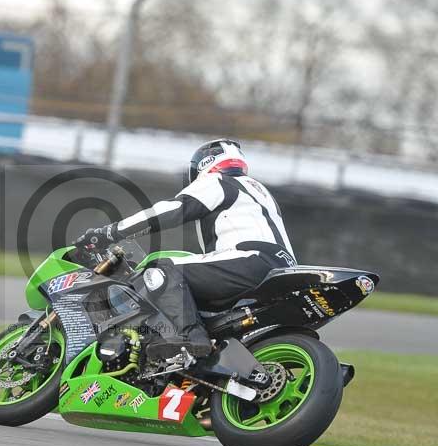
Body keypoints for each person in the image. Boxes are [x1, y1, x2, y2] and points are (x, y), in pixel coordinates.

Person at [75, 138, 297, 362]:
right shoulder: (259, 191)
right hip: (282, 269)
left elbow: (171, 211)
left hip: (250, 261)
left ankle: (190, 338)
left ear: (205, 164)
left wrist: (110, 232)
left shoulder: (217, 180)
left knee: (161, 268)